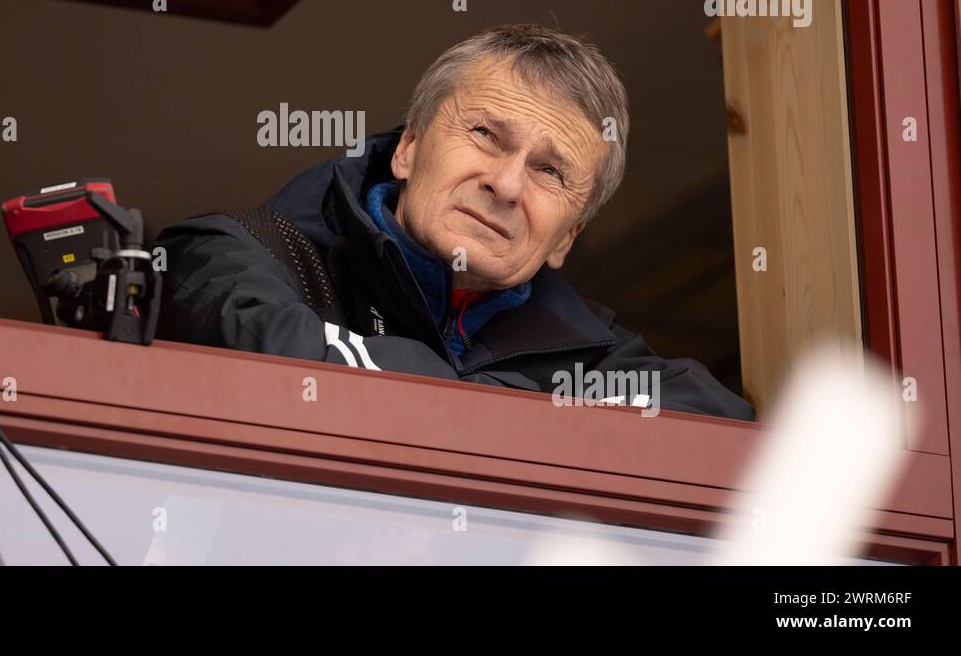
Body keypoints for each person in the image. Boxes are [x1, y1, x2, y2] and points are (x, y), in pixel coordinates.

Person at [155, 24, 754, 420]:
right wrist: (535, 415)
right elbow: (278, 352)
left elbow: (728, 436)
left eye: (550, 171)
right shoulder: (241, 250)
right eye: (487, 135)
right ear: (409, 148)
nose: (507, 183)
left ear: (566, 239)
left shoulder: (593, 359)